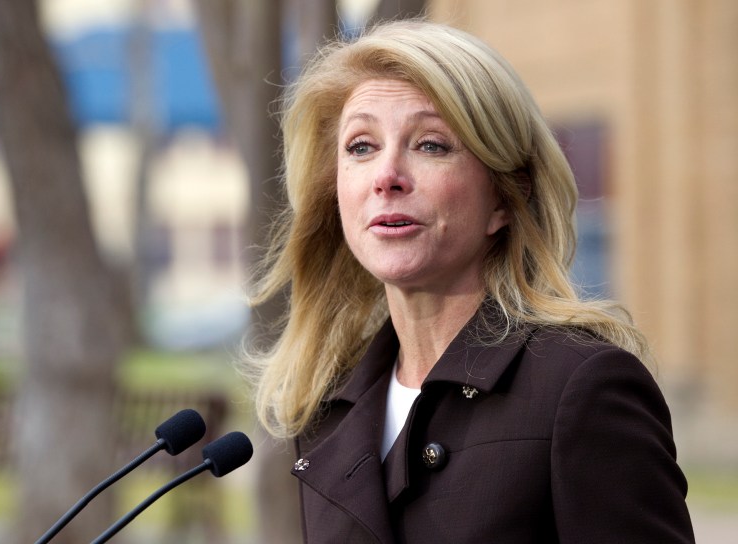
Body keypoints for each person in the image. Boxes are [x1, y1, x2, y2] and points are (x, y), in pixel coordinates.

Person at [245, 20, 695, 543]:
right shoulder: (326, 408)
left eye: (431, 145)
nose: (386, 176)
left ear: (505, 197)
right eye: (362, 147)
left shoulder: (581, 388)